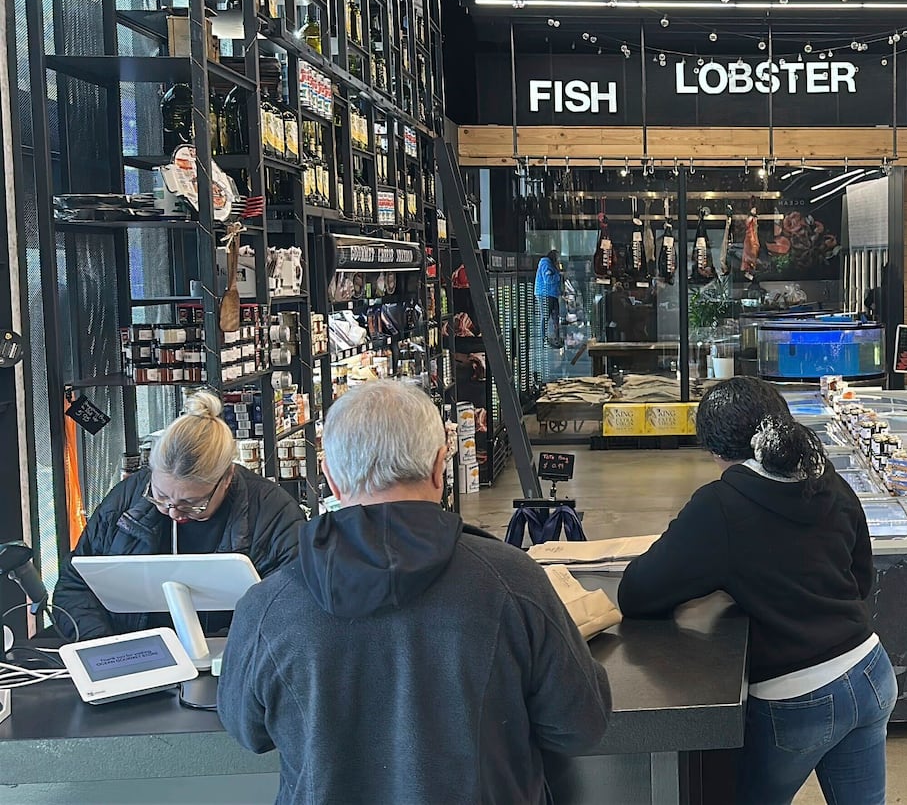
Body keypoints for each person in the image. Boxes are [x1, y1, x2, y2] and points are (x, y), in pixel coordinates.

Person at [218, 379, 611, 804]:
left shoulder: (268, 605)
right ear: (441, 467)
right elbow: (580, 723)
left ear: (329, 478)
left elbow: (247, 731)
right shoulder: (514, 581)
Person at [618, 377, 893, 805]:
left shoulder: (720, 505)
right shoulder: (827, 478)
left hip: (797, 696)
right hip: (870, 670)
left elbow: (638, 592)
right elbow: (860, 579)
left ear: (714, 448)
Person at [52, 391, 305, 640]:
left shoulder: (274, 515)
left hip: (235, 663)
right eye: (160, 496)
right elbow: (75, 585)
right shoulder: (128, 498)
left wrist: (236, 655)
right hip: (138, 656)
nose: (172, 511)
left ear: (227, 478)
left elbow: (296, 609)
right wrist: (103, 646)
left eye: (192, 503)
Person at [535, 248, 563, 348]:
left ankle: (556, 338)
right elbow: (548, 280)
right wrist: (558, 275)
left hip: (552, 293)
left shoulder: (551, 265)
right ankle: (544, 339)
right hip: (545, 293)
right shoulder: (546, 264)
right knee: (545, 316)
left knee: (556, 317)